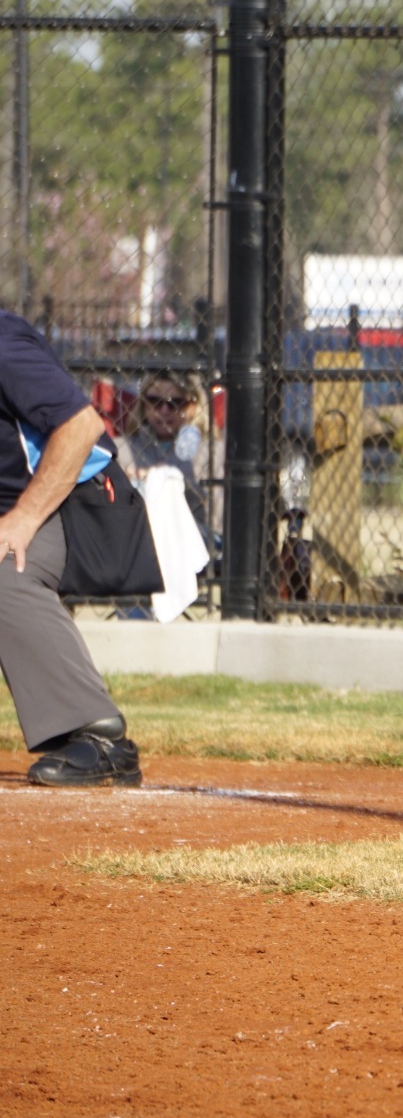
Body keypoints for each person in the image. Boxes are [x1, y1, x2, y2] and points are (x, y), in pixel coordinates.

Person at [0, 308, 144, 786]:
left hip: (75, 503)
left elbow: (82, 428)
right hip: (28, 509)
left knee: (3, 566)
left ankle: (99, 735)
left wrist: (22, 518)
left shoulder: (3, 343)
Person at [116, 371, 214, 544]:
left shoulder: (210, 450)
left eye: (175, 403)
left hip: (193, 538)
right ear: (144, 404)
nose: (164, 410)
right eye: (155, 401)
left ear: (192, 407)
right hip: (136, 537)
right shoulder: (122, 448)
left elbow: (215, 512)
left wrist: (162, 477)